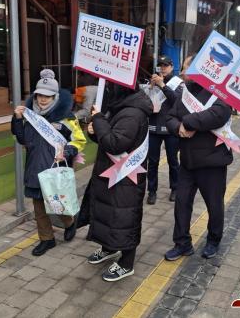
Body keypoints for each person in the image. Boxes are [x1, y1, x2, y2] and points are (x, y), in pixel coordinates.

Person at [81, 82, 153, 281]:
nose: (107, 91)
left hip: (126, 178)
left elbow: (115, 143)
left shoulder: (132, 113)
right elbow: (107, 138)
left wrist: (98, 119)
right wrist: (94, 131)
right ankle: (109, 248)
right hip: (111, 172)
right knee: (108, 214)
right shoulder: (121, 107)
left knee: (124, 218)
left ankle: (126, 263)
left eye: (110, 87)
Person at [164, 55, 233, 261]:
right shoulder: (185, 91)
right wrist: (178, 127)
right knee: (181, 203)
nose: (182, 72)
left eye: (186, 68)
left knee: (214, 205)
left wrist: (187, 123)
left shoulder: (218, 90)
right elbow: (170, 117)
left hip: (213, 162)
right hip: (187, 161)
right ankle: (182, 243)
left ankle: (213, 240)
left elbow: (220, 114)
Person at [12, 69, 86, 256]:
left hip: (56, 169)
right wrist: (17, 120)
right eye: (40, 95)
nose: (43, 99)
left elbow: (79, 140)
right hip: (35, 168)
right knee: (39, 208)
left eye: (48, 96)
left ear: (55, 96)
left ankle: (70, 223)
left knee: (57, 204)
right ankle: (47, 239)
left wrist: (66, 152)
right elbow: (23, 139)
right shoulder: (30, 116)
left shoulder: (67, 117)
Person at [146, 55, 181, 205]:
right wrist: (150, 88)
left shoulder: (177, 82)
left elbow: (177, 101)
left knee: (173, 160)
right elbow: (145, 101)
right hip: (153, 127)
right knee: (152, 162)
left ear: (172, 67)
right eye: (161, 65)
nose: (163, 68)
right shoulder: (152, 81)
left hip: (171, 128)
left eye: (166, 65)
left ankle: (175, 188)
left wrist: (162, 85)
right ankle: (152, 191)